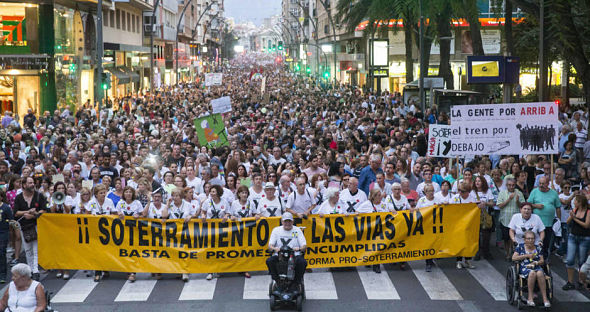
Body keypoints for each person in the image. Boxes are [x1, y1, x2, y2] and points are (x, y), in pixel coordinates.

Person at [13, 176, 47, 281]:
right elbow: (16, 212)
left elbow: (44, 210)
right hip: (24, 226)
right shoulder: (19, 197)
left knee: (35, 248)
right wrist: (27, 212)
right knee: (28, 249)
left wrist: (34, 214)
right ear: (24, 185)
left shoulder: (39, 196)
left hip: (36, 225)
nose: (32, 185)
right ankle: (30, 270)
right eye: (30, 183)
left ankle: (35, 270)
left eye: (33, 182)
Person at [267, 212, 307, 293]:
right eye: (285, 221)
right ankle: (278, 281)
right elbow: (270, 246)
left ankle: (296, 283)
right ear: (282, 222)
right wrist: (275, 248)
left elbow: (304, 245)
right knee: (269, 261)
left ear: (292, 222)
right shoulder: (276, 230)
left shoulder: (297, 230)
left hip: (294, 255)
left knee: (302, 262)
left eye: (289, 221)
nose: (287, 223)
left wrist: (299, 248)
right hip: (280, 255)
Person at [512, 231, 550, 308]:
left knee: (539, 273)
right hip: (525, 266)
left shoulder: (538, 248)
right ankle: (530, 297)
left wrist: (535, 263)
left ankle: (545, 299)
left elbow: (542, 261)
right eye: (528, 239)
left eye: (532, 239)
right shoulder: (520, 247)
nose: (530, 240)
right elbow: (514, 258)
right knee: (532, 273)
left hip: (536, 265)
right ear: (524, 239)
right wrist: (526, 256)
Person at [527, 176, 561, 260]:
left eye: (543, 184)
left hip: (548, 223)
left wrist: (559, 220)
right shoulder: (534, 191)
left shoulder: (554, 193)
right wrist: (536, 206)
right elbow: (528, 204)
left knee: (546, 242)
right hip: (536, 223)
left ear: (548, 183)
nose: (541, 185)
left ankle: (544, 259)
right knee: (535, 242)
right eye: (540, 183)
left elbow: (558, 207)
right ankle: (533, 258)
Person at [562, 194, 590, 290]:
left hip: (584, 238)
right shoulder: (575, 210)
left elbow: (586, 225)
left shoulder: (588, 212)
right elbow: (567, 222)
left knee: (582, 260)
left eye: (575, 201)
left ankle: (581, 280)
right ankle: (570, 281)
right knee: (570, 259)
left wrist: (575, 219)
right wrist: (571, 216)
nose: (574, 203)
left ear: (580, 202)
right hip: (573, 236)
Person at [497, 178, 524, 260]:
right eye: (509, 185)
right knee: (506, 238)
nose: (511, 187)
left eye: (513, 185)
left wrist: (518, 201)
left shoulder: (519, 193)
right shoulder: (502, 193)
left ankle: (514, 252)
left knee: (514, 238)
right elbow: (499, 205)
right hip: (505, 220)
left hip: (516, 220)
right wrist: (509, 199)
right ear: (506, 185)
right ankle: (507, 253)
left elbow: (522, 206)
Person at [0, 189, 13, 283]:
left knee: (1, 252)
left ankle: (3, 275)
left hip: (3, 232)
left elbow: (11, 220)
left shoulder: (6, 207)